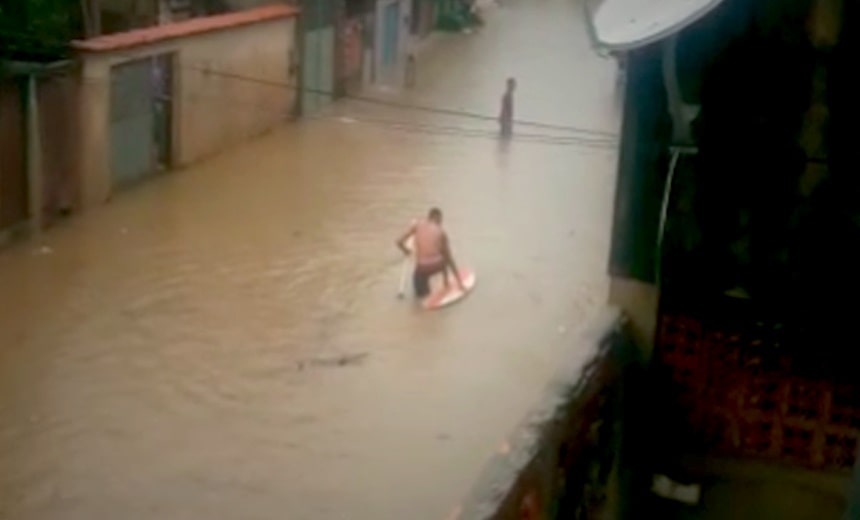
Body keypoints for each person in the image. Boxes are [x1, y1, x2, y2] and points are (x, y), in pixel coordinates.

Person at [396, 208, 464, 299]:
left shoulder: (417, 226)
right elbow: (449, 259)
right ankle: (446, 283)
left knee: (420, 297)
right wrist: (460, 282)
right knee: (444, 257)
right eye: (441, 221)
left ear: (429, 217)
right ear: (439, 219)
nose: (441, 223)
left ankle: (422, 300)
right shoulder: (441, 233)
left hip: (422, 269)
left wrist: (406, 251)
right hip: (436, 266)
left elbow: (398, 242)